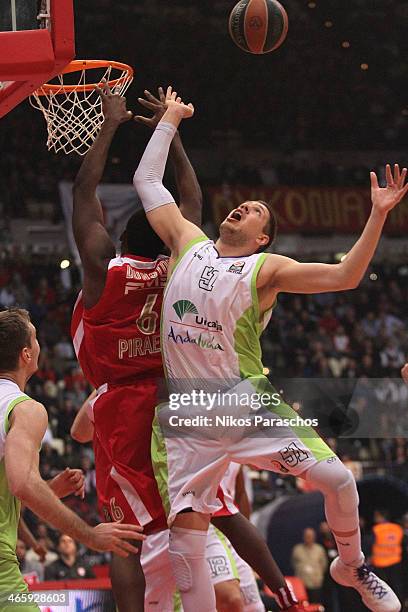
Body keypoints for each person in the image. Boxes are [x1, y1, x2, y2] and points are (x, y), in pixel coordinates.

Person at [133, 88, 408, 612]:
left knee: (339, 480)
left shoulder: (265, 270)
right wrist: (169, 119)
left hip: (244, 403)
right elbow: (147, 181)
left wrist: (377, 214)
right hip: (188, 415)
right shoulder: (187, 241)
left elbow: (348, 276)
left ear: (262, 238)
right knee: (186, 541)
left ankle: (350, 566)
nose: (245, 207)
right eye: (245, 204)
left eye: (257, 211)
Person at [71, 85, 305, 611]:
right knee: (215, 506)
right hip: (178, 399)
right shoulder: (186, 267)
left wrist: (108, 123)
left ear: (123, 243)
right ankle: (280, 588)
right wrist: (169, 132)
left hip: (122, 406)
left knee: (124, 534)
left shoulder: (105, 274)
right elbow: (189, 204)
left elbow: (84, 196)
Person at [0, 308, 144, 611]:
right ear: (27, 354)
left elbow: (12, 491)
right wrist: (90, 536)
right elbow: (22, 482)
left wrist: (49, 489)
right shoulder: (24, 409)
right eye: (36, 338)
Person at [370, 510, 405, 603]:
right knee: (397, 587)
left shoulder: (376, 530)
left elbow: (370, 545)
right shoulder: (397, 528)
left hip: (380, 564)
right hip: (396, 562)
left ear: (380, 516)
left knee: (383, 590)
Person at [291, 528, 327, 603]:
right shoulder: (297, 549)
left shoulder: (319, 549)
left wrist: (318, 577)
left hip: (315, 583)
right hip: (301, 585)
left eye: (310, 536)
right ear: (303, 537)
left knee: (316, 605)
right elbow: (293, 563)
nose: (308, 538)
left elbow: (324, 565)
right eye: (307, 536)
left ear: (314, 537)